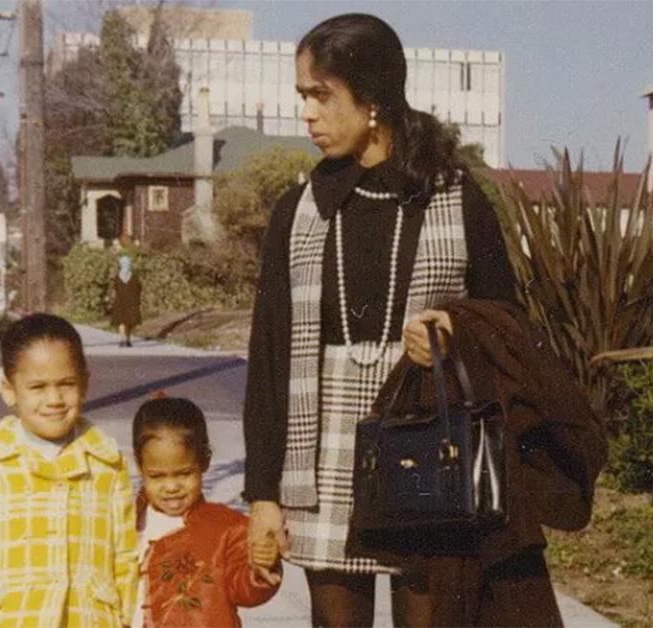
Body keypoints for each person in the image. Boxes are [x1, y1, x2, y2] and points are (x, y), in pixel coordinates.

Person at [241, 13, 537, 627]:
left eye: (321, 95)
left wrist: (453, 331)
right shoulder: (297, 210)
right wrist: (263, 495)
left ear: (371, 100)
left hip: (428, 447)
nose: (308, 114)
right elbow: (268, 358)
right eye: (304, 96)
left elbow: (510, 323)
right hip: (319, 457)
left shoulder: (457, 198)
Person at [0, 313, 137, 627]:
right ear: (10, 390)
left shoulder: (107, 464)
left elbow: (124, 557)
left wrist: (126, 618)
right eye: (37, 387)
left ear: (84, 383)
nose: (54, 399)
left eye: (66, 384)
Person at [131, 396, 281, 627]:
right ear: (140, 466)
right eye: (157, 476)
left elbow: (245, 590)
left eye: (184, 473)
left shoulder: (226, 529)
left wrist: (262, 565)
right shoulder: (124, 522)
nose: (171, 487)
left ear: (204, 462)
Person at [112, 254, 143, 347]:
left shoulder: (117, 276)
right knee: (130, 321)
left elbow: (115, 289)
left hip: (120, 301)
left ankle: (122, 340)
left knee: (121, 321)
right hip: (132, 302)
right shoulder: (134, 276)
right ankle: (128, 339)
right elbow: (139, 288)